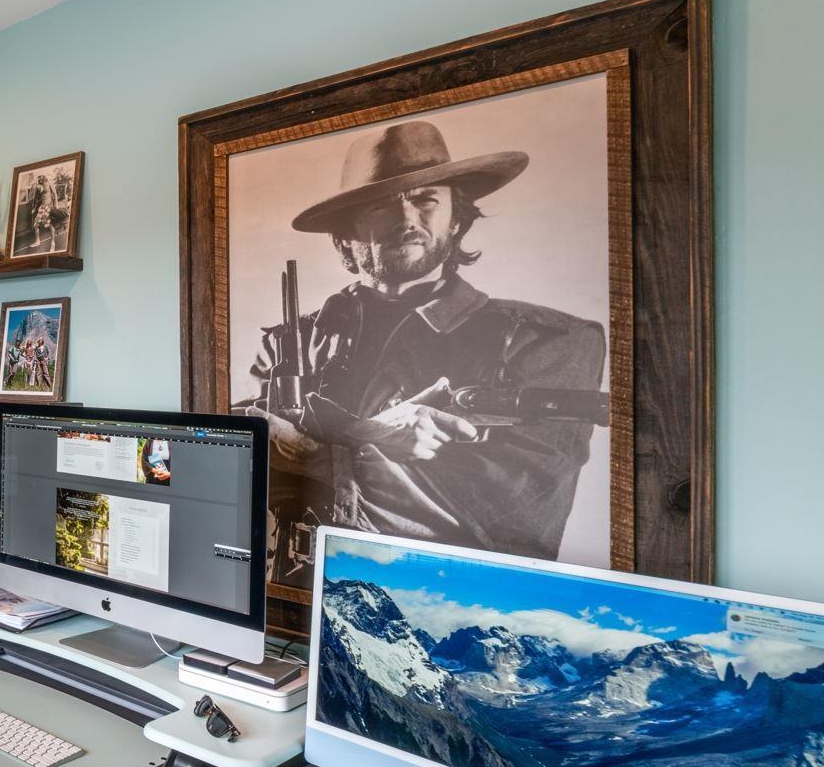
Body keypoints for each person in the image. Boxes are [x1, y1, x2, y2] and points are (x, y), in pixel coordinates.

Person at [245, 120, 605, 582]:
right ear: (346, 233)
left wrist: (310, 452)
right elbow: (232, 455)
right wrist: (368, 437)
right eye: (380, 205)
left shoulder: (545, 340)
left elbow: (507, 526)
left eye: (426, 199)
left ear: (456, 218)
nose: (406, 219)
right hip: (286, 593)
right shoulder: (289, 340)